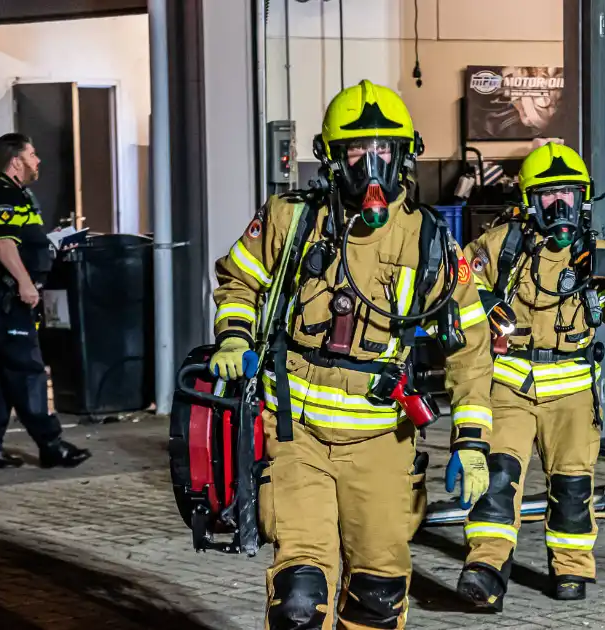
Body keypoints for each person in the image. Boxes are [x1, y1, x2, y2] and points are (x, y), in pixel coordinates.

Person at [208, 80, 494, 630]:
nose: (372, 165)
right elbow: (238, 280)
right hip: (296, 436)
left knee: (378, 594)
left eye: (384, 150)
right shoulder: (290, 220)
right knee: (298, 597)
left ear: (404, 154)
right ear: (333, 158)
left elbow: (472, 349)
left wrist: (473, 441)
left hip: (382, 443)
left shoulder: (430, 241)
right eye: (357, 151)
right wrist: (235, 336)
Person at [455, 142, 605, 609]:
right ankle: (486, 568)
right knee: (497, 478)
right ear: (528, 201)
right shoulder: (501, 245)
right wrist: (486, 305)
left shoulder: (595, 253)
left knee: (573, 483)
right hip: (511, 385)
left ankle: (571, 570)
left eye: (569, 194)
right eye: (548, 196)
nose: (560, 206)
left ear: (583, 198)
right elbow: (459, 287)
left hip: (573, 392)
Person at [0, 133, 92, 471]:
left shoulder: (14, 193)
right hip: (6, 296)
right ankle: (51, 446)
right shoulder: (2, 193)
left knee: (0, 375)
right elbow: (4, 246)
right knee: (28, 372)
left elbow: (23, 242)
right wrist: (25, 284)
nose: (38, 161)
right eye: (33, 155)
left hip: (6, 295)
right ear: (16, 160)